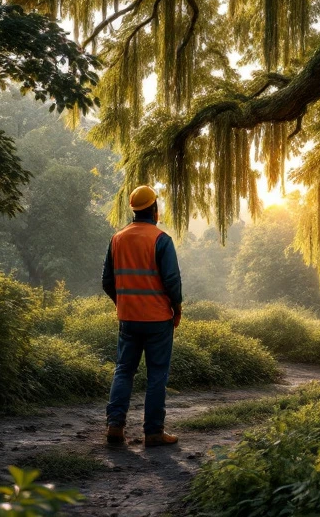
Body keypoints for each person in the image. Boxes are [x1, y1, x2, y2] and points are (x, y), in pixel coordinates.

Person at [101, 185, 183, 447]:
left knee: (124, 370)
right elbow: (172, 281)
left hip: (128, 318)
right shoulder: (161, 239)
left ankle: (115, 427)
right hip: (158, 319)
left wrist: (123, 303)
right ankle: (153, 433)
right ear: (155, 210)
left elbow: (106, 281)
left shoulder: (117, 239)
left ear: (134, 210)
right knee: (157, 374)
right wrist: (176, 308)